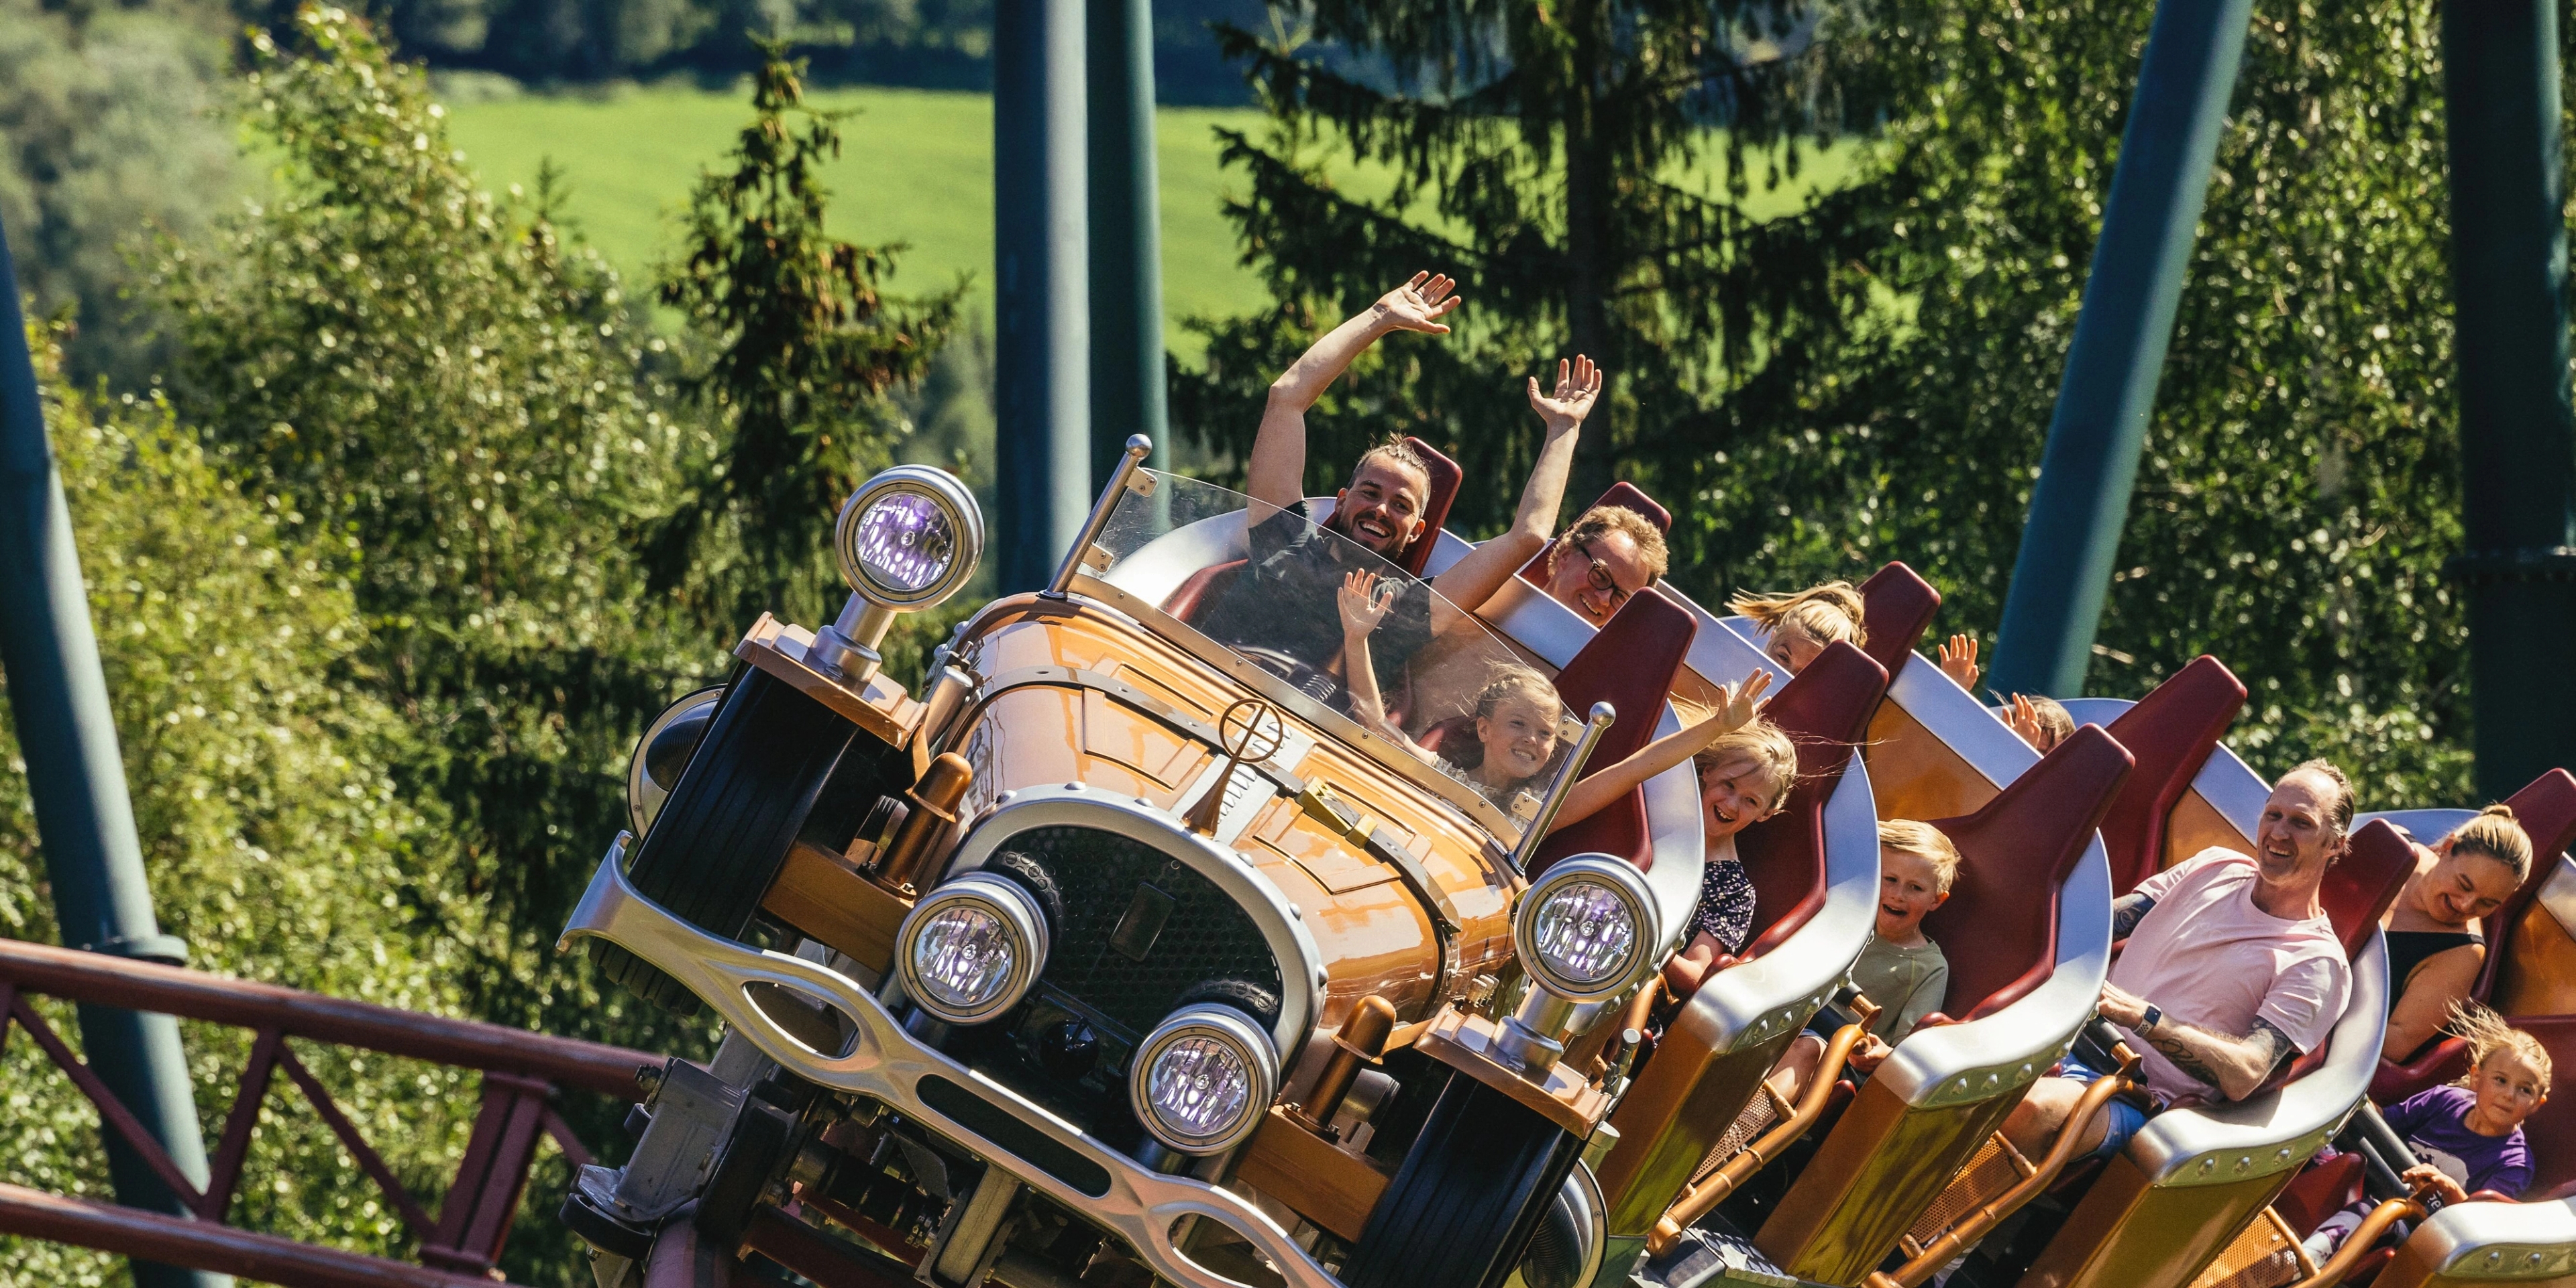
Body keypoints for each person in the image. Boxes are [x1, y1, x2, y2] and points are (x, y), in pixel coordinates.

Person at [1197, 272, 1602, 692]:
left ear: (1417, 532)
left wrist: (1563, 429)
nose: (1380, 509)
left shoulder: (1402, 606)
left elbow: (1529, 536)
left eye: (1401, 505)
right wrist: (1379, 317)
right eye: (1370, 493)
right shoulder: (1284, 538)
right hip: (1200, 679)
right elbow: (1287, 397)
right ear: (1341, 500)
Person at [2000, 761, 2358, 1163]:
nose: (2278, 832)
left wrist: (2144, 1018)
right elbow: (2100, 923)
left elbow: (2245, 1073)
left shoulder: (2317, 962)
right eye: (2273, 815)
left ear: (2335, 845)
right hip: (2067, 1030)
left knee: (2030, 1106)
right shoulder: (2214, 866)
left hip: (2133, 1096)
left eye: (2301, 823)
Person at [1336, 584, 1776, 826]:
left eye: (1546, 733)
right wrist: (1357, 640)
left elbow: (1634, 769)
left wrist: (1717, 728)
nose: (1532, 739)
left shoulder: (1536, 812)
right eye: (1518, 723)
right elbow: (1374, 724)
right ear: (1484, 729)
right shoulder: (1439, 772)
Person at [2306, 1001, 2550, 1260]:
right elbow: (2385, 1125)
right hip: (2379, 1180)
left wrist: (2448, 1187)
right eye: (2500, 1080)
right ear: (2477, 1078)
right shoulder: (2446, 1099)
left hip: (2421, 1229)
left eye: (2525, 1090)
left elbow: (2479, 1232)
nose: (2509, 1095)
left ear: (2537, 1103)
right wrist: (2352, 1097)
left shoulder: (2513, 1163)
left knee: (2373, 1212)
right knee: (2320, 1141)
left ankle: (2294, 1265)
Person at [1760, 820, 1962, 1103]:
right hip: (1793, 1016)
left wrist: (1884, 1055)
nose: (1898, 895)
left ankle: (1736, 1133)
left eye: (1915, 888)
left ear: (1936, 900)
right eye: (1890, 879)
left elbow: (1906, 1050)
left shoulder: (1930, 967)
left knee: (1808, 1049)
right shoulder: (1846, 916)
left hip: (1841, 1054)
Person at [1658, 722, 1805, 995]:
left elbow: (1695, 974)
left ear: (1765, 813)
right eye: (1729, 785)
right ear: (1708, 772)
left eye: (1751, 801)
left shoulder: (1734, 892)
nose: (1731, 804)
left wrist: (1645, 945)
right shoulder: (1654, 817)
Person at [2380, 808, 2534, 1063]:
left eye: (2487, 903)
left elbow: (2395, 1044)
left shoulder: (2463, 952)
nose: (2465, 906)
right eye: (2464, 885)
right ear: (2448, 847)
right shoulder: (2391, 848)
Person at [1536, 505, 1670, 626]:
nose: (1605, 600)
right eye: (1601, 576)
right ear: (1566, 555)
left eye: (1621, 597)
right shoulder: (1513, 582)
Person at [1936, 635, 2074, 752]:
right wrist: (1952, 689)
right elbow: (1941, 735)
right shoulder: (1977, 750)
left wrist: (2021, 754)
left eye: (2051, 759)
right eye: (2037, 751)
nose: (2040, 761)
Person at [1729, 582, 1866, 674]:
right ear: (1773, 637)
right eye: (1783, 657)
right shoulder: (1724, 669)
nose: (1786, 676)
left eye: (1804, 675)